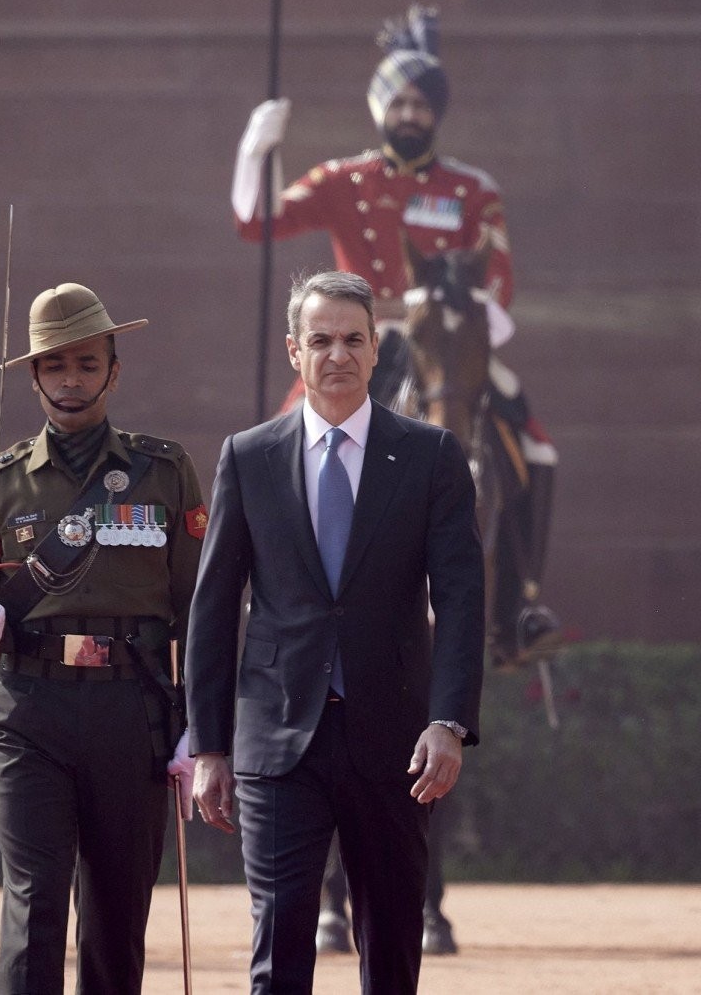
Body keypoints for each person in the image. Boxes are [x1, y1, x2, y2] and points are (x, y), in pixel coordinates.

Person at [186, 269, 486, 995]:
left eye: (353, 339)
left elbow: (461, 600)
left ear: (378, 347)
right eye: (320, 341)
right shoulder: (248, 457)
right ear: (295, 351)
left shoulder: (432, 456)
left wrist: (448, 722)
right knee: (279, 947)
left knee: (392, 952)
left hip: (395, 743)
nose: (338, 355)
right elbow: (214, 607)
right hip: (278, 740)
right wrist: (210, 747)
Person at [231, 4, 557, 666]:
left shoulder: (471, 190)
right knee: (284, 436)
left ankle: (520, 607)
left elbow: (498, 281)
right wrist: (255, 150)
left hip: (446, 342)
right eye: (399, 102)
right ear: (380, 108)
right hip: (357, 340)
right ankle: (272, 578)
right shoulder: (345, 180)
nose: (410, 114)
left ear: (437, 113)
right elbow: (258, 220)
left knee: (535, 446)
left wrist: (450, 314)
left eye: (422, 104)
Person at [0, 282, 205, 995]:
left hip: (132, 710)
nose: (72, 380)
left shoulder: (163, 472)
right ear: (34, 376)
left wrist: (201, 722)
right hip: (27, 711)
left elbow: (197, 605)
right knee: (33, 905)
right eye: (56, 365)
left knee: (117, 915)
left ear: (113, 373)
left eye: (88, 364)